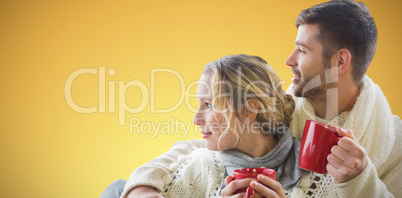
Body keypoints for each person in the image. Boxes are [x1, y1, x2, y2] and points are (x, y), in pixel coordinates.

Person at [102, 0, 402, 197]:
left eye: (303, 50)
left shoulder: (394, 143)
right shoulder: (285, 107)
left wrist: (360, 180)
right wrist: (142, 183)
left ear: (340, 62)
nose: (288, 60)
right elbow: (213, 145)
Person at [101, 54, 310, 198]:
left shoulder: (314, 173)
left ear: (249, 110)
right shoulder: (199, 167)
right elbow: (116, 190)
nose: (196, 119)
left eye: (209, 105)